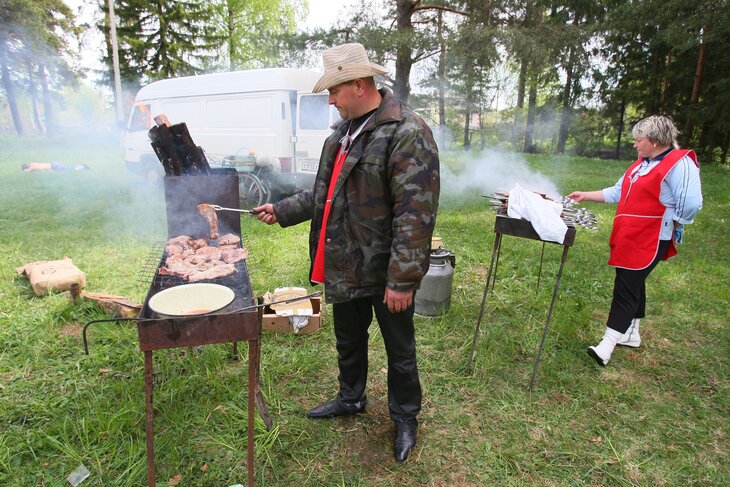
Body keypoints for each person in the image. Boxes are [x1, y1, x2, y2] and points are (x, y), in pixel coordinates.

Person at [253, 43, 440, 462]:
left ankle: (405, 417)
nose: (331, 101)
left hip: (384, 268)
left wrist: (402, 279)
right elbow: (325, 193)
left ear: (359, 84)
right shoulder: (342, 134)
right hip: (345, 262)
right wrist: (281, 209)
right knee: (348, 339)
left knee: (400, 349)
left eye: (335, 92)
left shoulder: (406, 132)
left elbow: (416, 214)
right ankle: (351, 398)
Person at [568, 115, 702, 366]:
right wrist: (584, 195)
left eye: (638, 140)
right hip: (629, 234)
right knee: (634, 281)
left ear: (653, 141)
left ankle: (607, 344)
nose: (635, 145)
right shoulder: (641, 164)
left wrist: (677, 223)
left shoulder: (679, 164)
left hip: (650, 236)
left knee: (625, 287)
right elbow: (617, 192)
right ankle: (631, 334)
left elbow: (692, 202)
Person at [21, 162, 90, 172]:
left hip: (54, 167)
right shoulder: (33, 164)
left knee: (69, 169)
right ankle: (81, 166)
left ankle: (82, 167)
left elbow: (28, 171)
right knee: (68, 167)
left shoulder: (32, 167)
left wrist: (25, 170)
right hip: (53, 163)